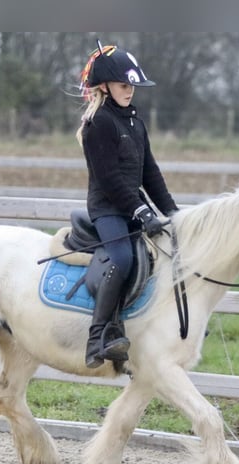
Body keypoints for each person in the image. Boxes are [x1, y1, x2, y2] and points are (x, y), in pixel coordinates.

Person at [76, 42, 178, 369]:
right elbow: (109, 179)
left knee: (164, 252)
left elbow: (150, 173)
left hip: (133, 207)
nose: (130, 90)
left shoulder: (135, 122)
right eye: (124, 85)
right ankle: (97, 337)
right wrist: (140, 212)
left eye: (132, 85)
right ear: (104, 86)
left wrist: (174, 214)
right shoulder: (99, 124)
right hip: (108, 209)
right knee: (121, 257)